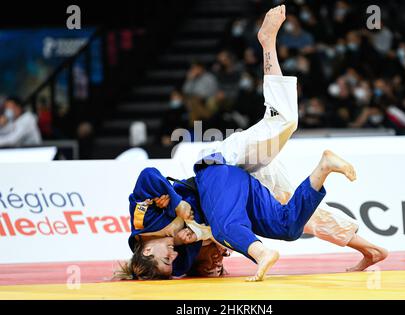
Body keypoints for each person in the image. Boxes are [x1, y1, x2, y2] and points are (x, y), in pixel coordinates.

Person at [117, 5, 387, 282]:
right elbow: (206, 233)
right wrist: (196, 242)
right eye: (171, 263)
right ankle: (368, 248)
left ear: (146, 251)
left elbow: (149, 177)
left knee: (284, 121)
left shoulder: (143, 221)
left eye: (165, 257)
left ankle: (267, 43)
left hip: (219, 163)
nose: (172, 257)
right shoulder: (179, 260)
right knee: (294, 218)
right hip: (237, 193)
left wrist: (174, 203)